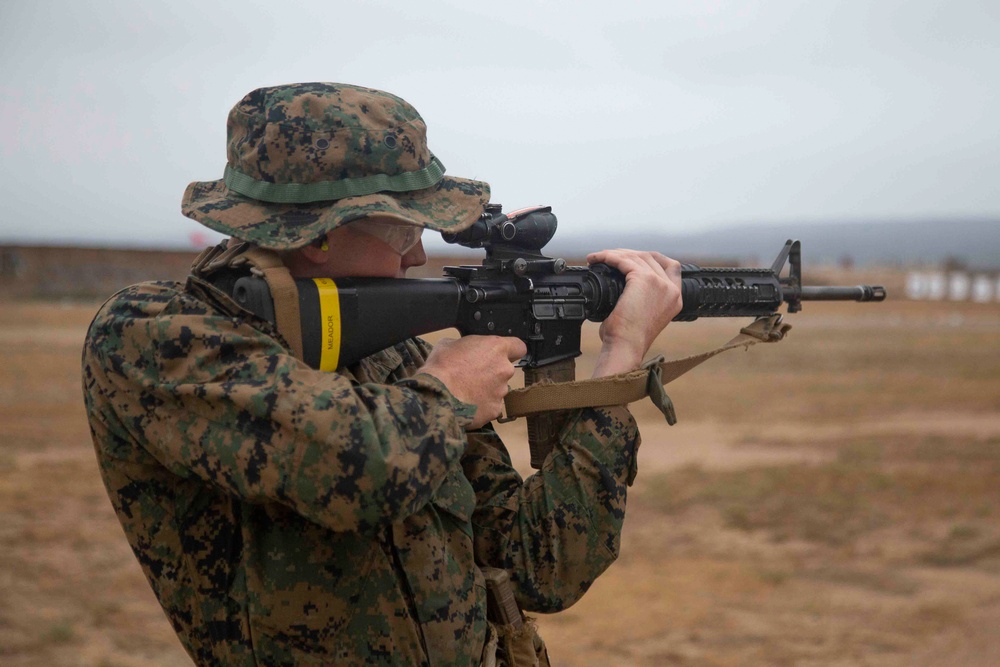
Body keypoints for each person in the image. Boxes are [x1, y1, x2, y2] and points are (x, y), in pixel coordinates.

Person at [82, 82, 682, 666]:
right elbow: (356, 469)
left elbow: (540, 563)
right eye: (404, 230)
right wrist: (447, 393)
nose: (418, 256)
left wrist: (620, 358)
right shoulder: (155, 334)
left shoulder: (387, 355)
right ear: (320, 234)